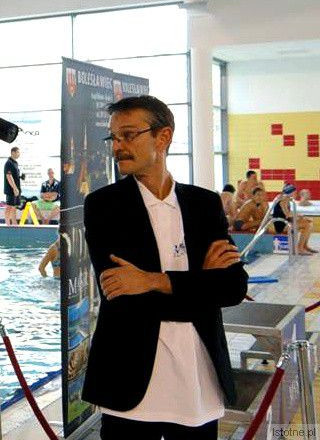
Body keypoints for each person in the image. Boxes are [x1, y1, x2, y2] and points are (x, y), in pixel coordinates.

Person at [83, 95, 248, 440]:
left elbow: (233, 288)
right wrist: (201, 283)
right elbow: (122, 297)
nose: (117, 146)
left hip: (199, 380)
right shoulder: (104, 206)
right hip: (129, 381)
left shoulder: (204, 204)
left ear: (163, 136)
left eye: (128, 135)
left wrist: (151, 280)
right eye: (114, 137)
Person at [273, 184, 317, 254]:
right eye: (295, 193)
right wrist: (299, 216)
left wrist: (300, 217)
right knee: (307, 225)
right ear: (290, 192)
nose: (296, 194)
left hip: (286, 222)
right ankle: (300, 248)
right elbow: (287, 214)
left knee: (309, 223)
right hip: (282, 225)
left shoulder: (287, 199)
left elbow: (288, 213)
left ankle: (304, 246)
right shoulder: (283, 200)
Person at [4, 147, 21, 225]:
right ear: (13, 153)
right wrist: (14, 188)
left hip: (16, 188)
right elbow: (9, 176)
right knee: (9, 206)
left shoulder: (15, 163)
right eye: (18, 152)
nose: (19, 154)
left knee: (14, 207)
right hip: (11, 189)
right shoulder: (9, 163)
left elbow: (14, 175)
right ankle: (7, 223)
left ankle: (14, 223)